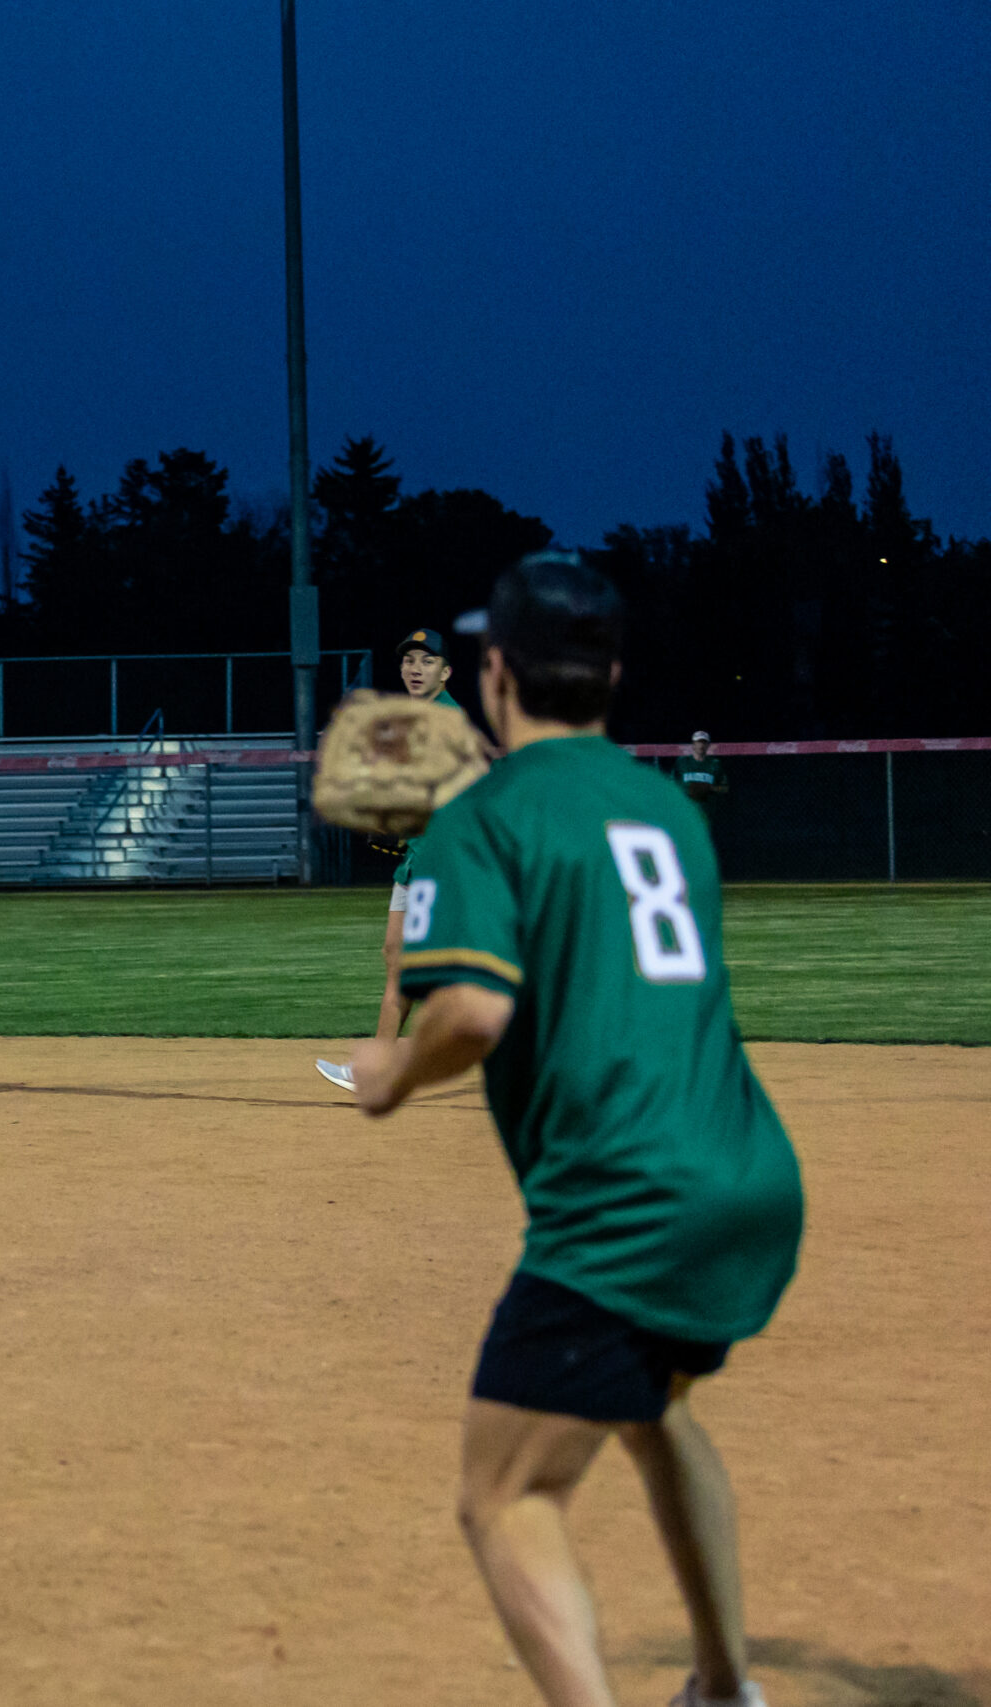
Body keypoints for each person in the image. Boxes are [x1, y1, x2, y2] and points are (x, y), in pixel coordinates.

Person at [349, 555, 802, 1707]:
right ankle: (724, 1689)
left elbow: (470, 1010)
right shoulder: (667, 810)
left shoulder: (485, 818)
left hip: (623, 1204)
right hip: (744, 1173)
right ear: (610, 676)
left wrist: (391, 1073)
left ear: (495, 674)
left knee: (504, 1497)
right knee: (653, 1409)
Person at [318, 628, 472, 1093]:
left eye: (427, 661)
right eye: (409, 660)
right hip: (417, 861)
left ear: (446, 672)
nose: (415, 668)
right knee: (396, 957)